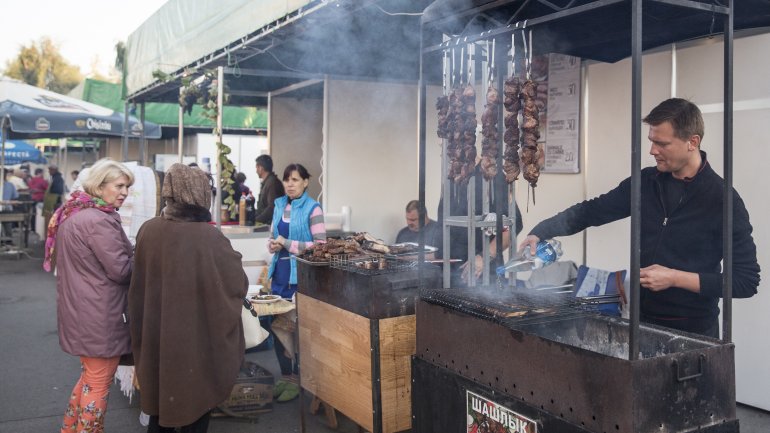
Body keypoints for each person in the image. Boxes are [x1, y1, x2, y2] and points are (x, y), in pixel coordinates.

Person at [518, 98, 760, 338]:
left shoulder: (722, 200)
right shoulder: (645, 182)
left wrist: (675, 278)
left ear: (692, 142)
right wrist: (542, 230)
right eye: (651, 141)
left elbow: (745, 281)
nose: (652, 150)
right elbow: (593, 210)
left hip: (694, 331)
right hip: (641, 319)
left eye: (662, 143)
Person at [129, 163, 248, 433]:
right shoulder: (209, 237)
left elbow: (137, 286)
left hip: (157, 339)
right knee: (195, 406)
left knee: (160, 408)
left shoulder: (148, 230)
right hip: (195, 342)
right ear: (200, 194)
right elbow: (236, 284)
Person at [42, 158, 135, 433]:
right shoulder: (98, 220)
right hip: (100, 314)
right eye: (119, 185)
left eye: (127, 186)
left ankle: (70, 429)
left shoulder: (74, 213)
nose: (124, 192)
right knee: (97, 383)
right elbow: (121, 270)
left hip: (82, 310)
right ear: (100, 185)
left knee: (89, 379)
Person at [266, 163, 326, 402]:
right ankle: (286, 375)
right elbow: (273, 237)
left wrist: (286, 242)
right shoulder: (279, 204)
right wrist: (272, 244)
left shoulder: (314, 208)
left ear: (305, 182)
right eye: (287, 180)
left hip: (300, 275)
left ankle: (300, 378)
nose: (290, 184)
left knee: (296, 327)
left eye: (295, 179)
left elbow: (321, 246)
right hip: (279, 273)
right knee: (276, 323)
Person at [437, 162, 524, 286]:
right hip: (451, 272)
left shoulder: (489, 177)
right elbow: (442, 228)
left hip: (485, 271)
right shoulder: (451, 183)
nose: (445, 154)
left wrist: (484, 258)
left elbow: (514, 224)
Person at [254, 154, 284, 225]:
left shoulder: (272, 183)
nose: (256, 171)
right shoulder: (269, 182)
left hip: (271, 226)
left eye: (257, 167)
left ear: (261, 168)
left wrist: (257, 220)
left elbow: (272, 207)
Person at [43, 164, 65, 229]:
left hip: (55, 203)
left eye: (50, 170)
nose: (49, 172)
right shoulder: (54, 177)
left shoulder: (58, 178)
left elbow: (58, 191)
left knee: (54, 220)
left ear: (54, 170)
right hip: (54, 203)